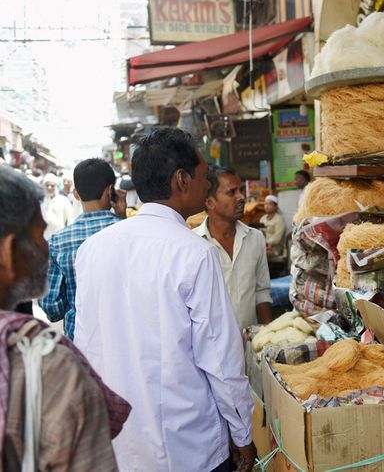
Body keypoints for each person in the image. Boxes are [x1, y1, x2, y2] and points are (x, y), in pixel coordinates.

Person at [74, 128, 256, 471]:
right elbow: (220, 360)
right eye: (203, 176)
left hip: (120, 448)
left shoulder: (92, 250)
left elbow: (85, 349)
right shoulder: (194, 253)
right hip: (189, 448)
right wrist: (243, 435)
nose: (207, 186)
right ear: (182, 179)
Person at [0, 165, 130, 470]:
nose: (45, 244)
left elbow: (54, 308)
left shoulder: (62, 242)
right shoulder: (49, 366)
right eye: (39, 233)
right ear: (8, 252)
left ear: (76, 192)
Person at [38, 159, 126, 340]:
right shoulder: (130, 233)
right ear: (111, 191)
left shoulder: (58, 242)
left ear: (76, 194)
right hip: (127, 340)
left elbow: (52, 307)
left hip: (81, 342)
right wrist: (123, 217)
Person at [194, 165, 273, 329]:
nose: (241, 197)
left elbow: (262, 291)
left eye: (241, 190)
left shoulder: (255, 238)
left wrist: (269, 337)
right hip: (211, 348)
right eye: (232, 192)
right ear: (210, 202)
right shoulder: (193, 244)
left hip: (249, 344)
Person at [40, 173, 73, 239]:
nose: (49, 188)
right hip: (44, 239)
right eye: (47, 185)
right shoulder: (41, 201)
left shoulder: (63, 200)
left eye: (52, 185)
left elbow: (70, 221)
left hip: (60, 237)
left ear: (56, 186)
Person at [260, 194, 287, 261]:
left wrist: (265, 243)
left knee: (257, 253)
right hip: (263, 246)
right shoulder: (262, 219)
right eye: (265, 204)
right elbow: (259, 233)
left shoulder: (279, 219)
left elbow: (277, 239)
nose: (267, 206)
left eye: (270, 204)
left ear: (275, 207)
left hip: (275, 249)